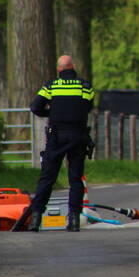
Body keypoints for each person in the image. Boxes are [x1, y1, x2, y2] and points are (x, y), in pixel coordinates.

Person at [23, 55, 94, 232]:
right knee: (76, 178)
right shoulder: (85, 86)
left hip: (56, 137)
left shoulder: (51, 86)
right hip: (77, 136)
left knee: (47, 177)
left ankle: (36, 218)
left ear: (59, 69)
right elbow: (88, 106)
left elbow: (35, 107)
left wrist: (52, 113)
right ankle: (74, 220)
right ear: (74, 67)